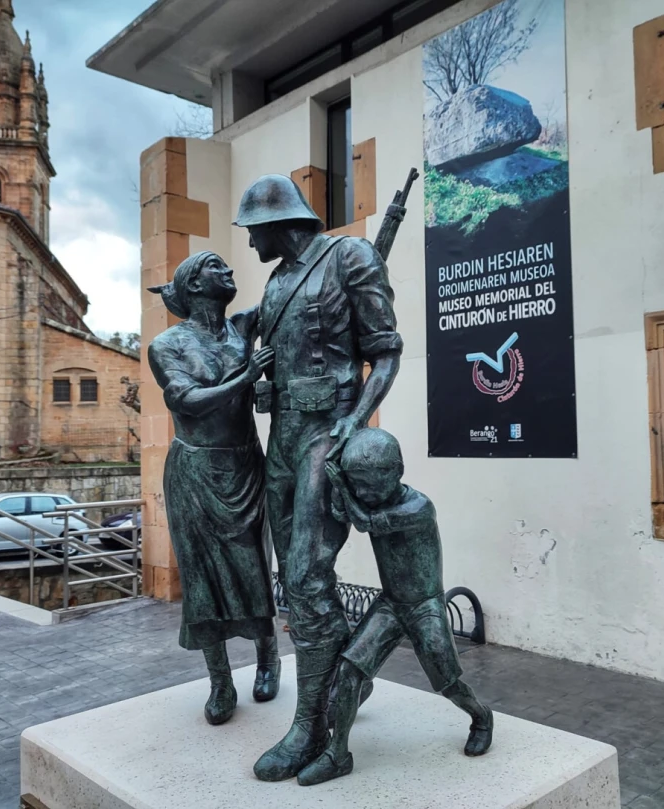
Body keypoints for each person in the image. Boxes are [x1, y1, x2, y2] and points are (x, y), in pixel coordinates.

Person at [233, 175, 403, 781]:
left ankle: (312, 726)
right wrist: (261, 385)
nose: (249, 241)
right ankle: (338, 684)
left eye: (253, 229)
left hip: (328, 433)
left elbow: (385, 351)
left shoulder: (349, 256)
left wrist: (355, 421)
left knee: (305, 575)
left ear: (279, 221)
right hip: (281, 436)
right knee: (298, 579)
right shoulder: (277, 279)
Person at [298, 428, 494, 786]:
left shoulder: (418, 507)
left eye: (371, 486)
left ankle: (481, 716)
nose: (365, 494)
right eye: (360, 486)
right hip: (391, 603)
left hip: (424, 605)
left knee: (447, 682)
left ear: (397, 471)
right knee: (350, 669)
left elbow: (366, 522)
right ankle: (338, 755)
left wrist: (341, 483)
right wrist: (338, 483)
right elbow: (346, 512)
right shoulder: (367, 498)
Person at [146, 250, 280, 726]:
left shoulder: (244, 326)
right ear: (194, 284)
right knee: (202, 580)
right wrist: (247, 377)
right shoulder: (168, 345)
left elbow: (295, 299)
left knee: (255, 566)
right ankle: (220, 680)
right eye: (214, 266)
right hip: (196, 472)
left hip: (245, 466)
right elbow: (186, 400)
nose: (228, 271)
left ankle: (269, 656)